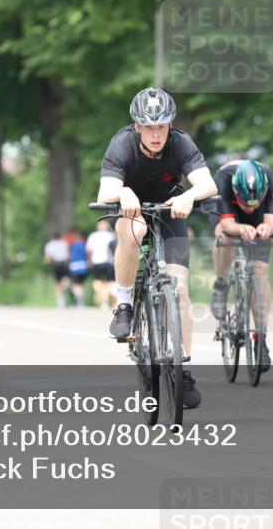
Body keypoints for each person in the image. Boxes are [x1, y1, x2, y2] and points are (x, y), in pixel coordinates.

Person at [97, 87, 217, 409]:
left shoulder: (181, 142)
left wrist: (189, 196)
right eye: (148, 127)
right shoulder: (122, 143)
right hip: (131, 211)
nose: (155, 134)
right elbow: (107, 188)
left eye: (161, 126)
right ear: (136, 127)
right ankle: (124, 305)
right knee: (132, 231)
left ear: (170, 125)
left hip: (169, 209)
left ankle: (184, 370)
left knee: (179, 289)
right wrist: (123, 194)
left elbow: (207, 182)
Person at [209, 160, 273, 372]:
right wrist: (241, 229)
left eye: (255, 202)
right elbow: (228, 226)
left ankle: (261, 337)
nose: (250, 207)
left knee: (259, 272)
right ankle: (221, 283)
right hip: (228, 216)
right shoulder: (222, 181)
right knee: (225, 238)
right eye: (246, 203)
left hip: (259, 217)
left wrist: (266, 229)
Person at [86, 219, 118, 309]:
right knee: (111, 282)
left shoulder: (93, 236)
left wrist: (89, 260)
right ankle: (113, 300)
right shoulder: (111, 235)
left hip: (96, 261)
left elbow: (89, 250)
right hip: (109, 262)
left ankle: (104, 299)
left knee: (97, 281)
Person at [44, 233, 70, 308]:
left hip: (56, 264)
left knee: (58, 284)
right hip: (64, 264)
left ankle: (60, 300)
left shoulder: (50, 245)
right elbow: (67, 255)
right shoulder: (64, 243)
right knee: (66, 279)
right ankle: (66, 285)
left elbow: (48, 257)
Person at [67, 227, 89, 307]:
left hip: (75, 266)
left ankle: (80, 301)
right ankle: (80, 301)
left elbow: (68, 256)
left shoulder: (72, 245)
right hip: (84, 266)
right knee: (81, 284)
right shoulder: (84, 245)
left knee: (74, 285)